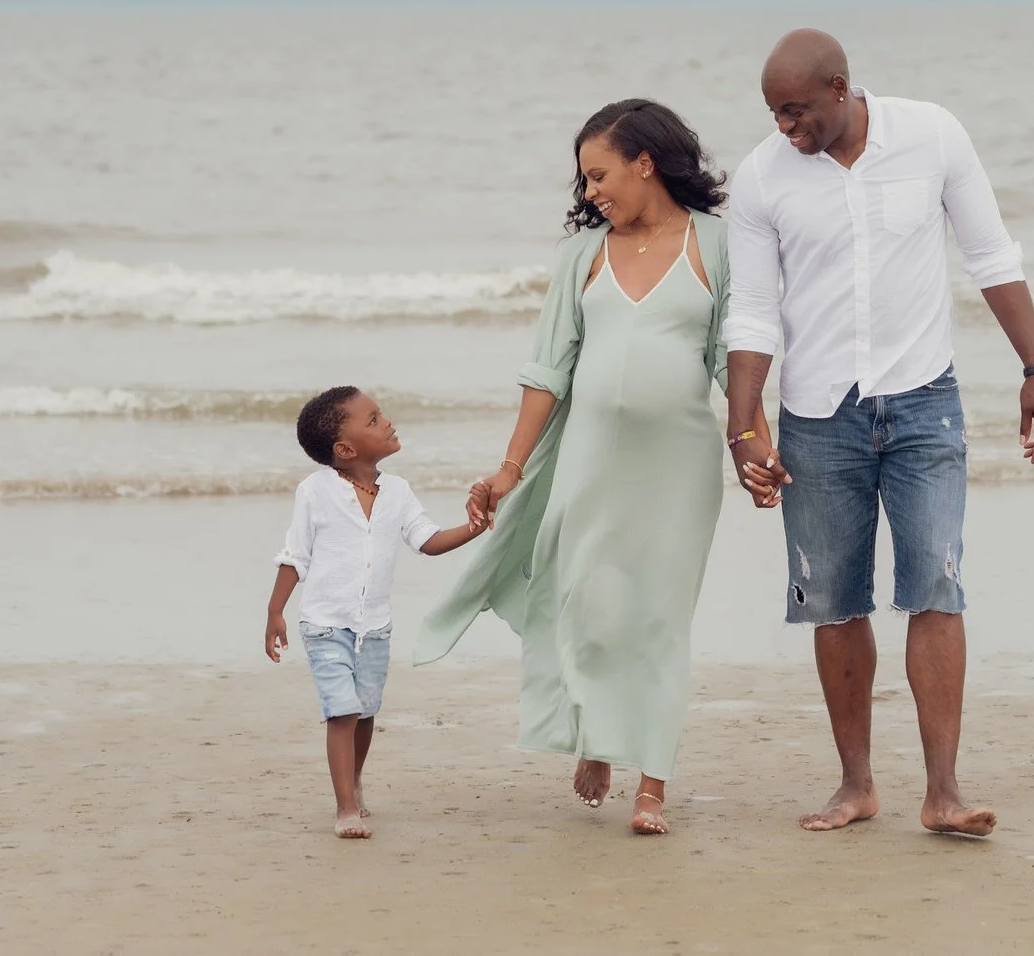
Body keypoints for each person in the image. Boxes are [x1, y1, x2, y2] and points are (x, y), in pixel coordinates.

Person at [724, 28, 1034, 837]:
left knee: (936, 587)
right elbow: (754, 311)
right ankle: (856, 784)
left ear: (841, 88)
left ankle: (943, 790)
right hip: (816, 416)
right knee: (834, 606)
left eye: (796, 110)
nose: (784, 128)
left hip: (924, 404)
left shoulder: (933, 134)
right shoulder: (761, 177)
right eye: (774, 112)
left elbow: (989, 253)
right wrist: (743, 429)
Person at [415, 100, 777, 837]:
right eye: (584, 181)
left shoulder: (717, 242)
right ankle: (594, 733)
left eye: (599, 174)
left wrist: (752, 445)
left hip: (676, 467)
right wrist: (510, 468)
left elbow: (731, 361)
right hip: (589, 459)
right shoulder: (582, 256)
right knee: (586, 599)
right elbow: (548, 370)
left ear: (646, 162)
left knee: (659, 614)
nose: (590, 193)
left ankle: (652, 780)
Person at [265, 386, 482, 840]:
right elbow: (295, 555)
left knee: (364, 713)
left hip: (375, 626)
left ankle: (355, 781)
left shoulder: (398, 492)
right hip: (325, 622)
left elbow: (428, 540)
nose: (386, 421)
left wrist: (475, 527)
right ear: (345, 449)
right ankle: (345, 807)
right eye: (373, 419)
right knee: (341, 712)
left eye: (381, 414)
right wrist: (275, 611)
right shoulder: (315, 492)